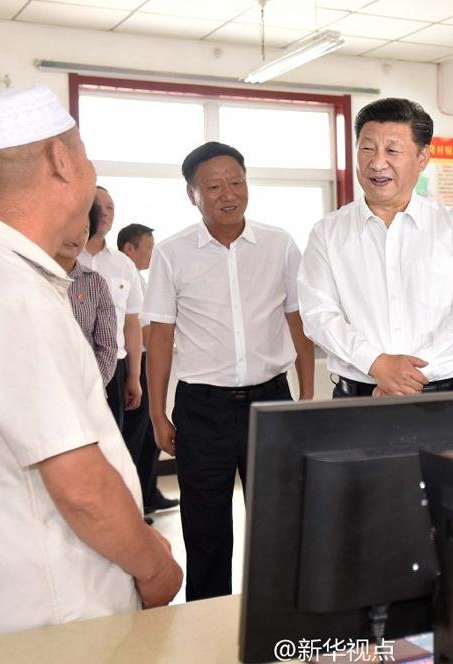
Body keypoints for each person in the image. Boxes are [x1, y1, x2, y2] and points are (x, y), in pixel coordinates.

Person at [0, 85, 181, 642]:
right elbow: (80, 487)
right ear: (61, 160)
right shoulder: (10, 293)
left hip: (8, 601)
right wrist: (155, 566)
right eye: (84, 153)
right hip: (58, 615)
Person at [144, 141, 314, 601]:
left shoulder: (279, 244)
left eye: (236, 182)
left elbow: (298, 322)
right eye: (214, 186)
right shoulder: (172, 253)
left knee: (279, 525)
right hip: (202, 409)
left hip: (271, 402)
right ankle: (209, 623)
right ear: (192, 194)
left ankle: (276, 617)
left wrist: (306, 397)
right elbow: (159, 337)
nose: (228, 194)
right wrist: (157, 413)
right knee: (206, 532)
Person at [297, 97, 453, 398]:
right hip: (359, 397)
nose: (377, 163)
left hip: (444, 398)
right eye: (367, 148)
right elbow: (318, 315)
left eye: (392, 150)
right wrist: (376, 364)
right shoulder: (327, 233)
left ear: (422, 158)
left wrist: (407, 377)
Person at [117, 223, 178, 517]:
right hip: (134, 363)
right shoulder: (125, 273)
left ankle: (149, 493)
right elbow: (142, 328)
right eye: (149, 248)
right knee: (136, 436)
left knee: (147, 437)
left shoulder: (139, 277)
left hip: (142, 361)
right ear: (130, 248)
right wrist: (163, 344)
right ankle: (136, 502)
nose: (153, 254)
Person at [81, 186, 143, 430]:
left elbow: (132, 324)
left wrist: (133, 376)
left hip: (115, 368)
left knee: (112, 440)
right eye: (99, 206)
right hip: (71, 364)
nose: (105, 213)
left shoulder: (124, 264)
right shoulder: (62, 257)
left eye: (110, 208)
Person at [54, 217, 117, 386]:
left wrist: (88, 388)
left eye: (84, 230)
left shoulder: (95, 282)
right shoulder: (29, 275)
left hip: (85, 391)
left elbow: (107, 347)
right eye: (69, 226)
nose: (76, 235)